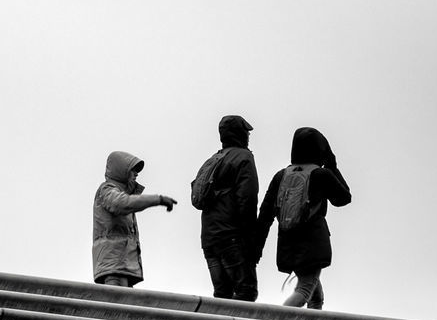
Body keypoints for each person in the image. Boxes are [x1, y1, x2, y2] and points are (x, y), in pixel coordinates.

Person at [255, 126, 352, 309]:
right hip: (313, 243)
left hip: (287, 243)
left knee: (316, 295)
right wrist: (333, 166)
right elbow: (344, 198)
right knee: (305, 289)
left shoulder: (281, 175)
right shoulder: (320, 174)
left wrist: (256, 248)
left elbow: (265, 215)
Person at [192, 115, 260, 301]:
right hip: (232, 238)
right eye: (246, 131)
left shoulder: (213, 160)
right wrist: (251, 240)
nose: (248, 135)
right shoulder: (243, 158)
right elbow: (247, 199)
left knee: (222, 294)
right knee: (246, 292)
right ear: (240, 134)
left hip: (209, 239)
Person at [92, 151, 176, 288]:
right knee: (118, 306)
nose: (136, 174)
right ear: (121, 171)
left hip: (122, 264)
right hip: (113, 265)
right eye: (132, 170)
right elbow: (121, 204)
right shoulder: (107, 190)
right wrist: (157, 199)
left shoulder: (120, 193)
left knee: (125, 306)